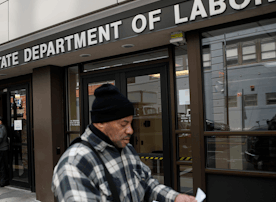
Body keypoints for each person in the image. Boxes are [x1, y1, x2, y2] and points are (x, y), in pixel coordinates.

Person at [52, 84, 196, 202]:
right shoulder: (74, 164)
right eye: (123, 124)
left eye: (131, 123)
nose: (130, 131)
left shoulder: (127, 150)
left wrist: (175, 197)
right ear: (100, 122)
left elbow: (147, 184)